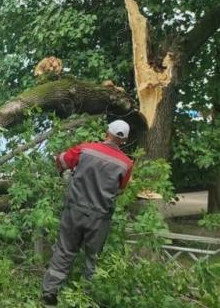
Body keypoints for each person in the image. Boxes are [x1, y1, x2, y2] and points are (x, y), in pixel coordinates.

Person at [41, 120, 134, 306]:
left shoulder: (85, 149)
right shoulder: (126, 164)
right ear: (123, 141)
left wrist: (64, 170)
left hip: (75, 210)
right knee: (92, 258)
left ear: (107, 132)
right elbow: (121, 188)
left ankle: (50, 292)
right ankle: (85, 297)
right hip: (100, 218)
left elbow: (61, 161)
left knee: (65, 251)